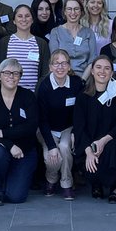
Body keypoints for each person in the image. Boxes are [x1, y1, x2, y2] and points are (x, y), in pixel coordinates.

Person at [0, 58, 40, 205]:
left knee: (16, 197)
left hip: (25, 150)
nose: (11, 77)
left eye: (15, 73)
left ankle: (10, 177)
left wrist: (3, 133)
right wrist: (9, 144)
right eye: (6, 73)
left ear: (20, 76)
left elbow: (31, 127)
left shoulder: (28, 97)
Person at [73, 55, 116, 202]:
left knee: (115, 148)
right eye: (98, 67)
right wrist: (88, 150)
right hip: (89, 142)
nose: (102, 71)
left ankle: (114, 186)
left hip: (111, 139)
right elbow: (79, 127)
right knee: (89, 160)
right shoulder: (83, 96)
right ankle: (95, 183)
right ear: (91, 71)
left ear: (111, 73)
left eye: (107, 68)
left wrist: (103, 141)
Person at [36, 49, 84, 199]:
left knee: (64, 148)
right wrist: (50, 146)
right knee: (51, 157)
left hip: (67, 128)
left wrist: (76, 131)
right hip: (47, 128)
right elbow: (41, 119)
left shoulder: (76, 84)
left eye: (64, 63)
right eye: (56, 63)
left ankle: (66, 183)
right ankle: (51, 178)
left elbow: (80, 112)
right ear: (50, 67)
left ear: (69, 66)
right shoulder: (43, 87)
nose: (60, 67)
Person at [0, 4, 49, 91]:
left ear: (32, 20)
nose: (24, 19)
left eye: (27, 16)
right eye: (20, 16)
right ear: (14, 21)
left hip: (33, 95)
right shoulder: (4, 42)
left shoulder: (42, 43)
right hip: (9, 95)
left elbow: (45, 73)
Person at [46, 0, 98, 78]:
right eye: (69, 9)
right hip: (61, 78)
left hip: (85, 79)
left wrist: (82, 81)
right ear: (64, 12)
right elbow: (55, 60)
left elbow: (92, 61)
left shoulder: (89, 33)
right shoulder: (55, 32)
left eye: (76, 9)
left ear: (81, 11)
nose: (73, 12)